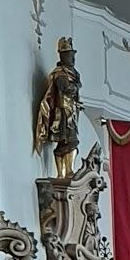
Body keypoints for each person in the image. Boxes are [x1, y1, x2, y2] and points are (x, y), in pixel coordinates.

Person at [35, 37, 83, 178]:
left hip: (71, 111)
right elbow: (65, 87)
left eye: (73, 55)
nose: (72, 58)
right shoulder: (59, 73)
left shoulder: (74, 73)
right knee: (68, 140)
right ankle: (65, 172)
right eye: (69, 55)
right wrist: (75, 87)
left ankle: (65, 172)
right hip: (62, 112)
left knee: (67, 141)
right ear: (63, 56)